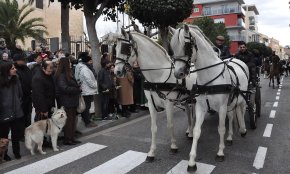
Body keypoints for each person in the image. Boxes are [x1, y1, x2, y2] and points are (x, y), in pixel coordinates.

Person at [0, 60, 24, 160]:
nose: (15, 70)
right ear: (6, 71)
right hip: (4, 112)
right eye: (12, 68)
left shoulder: (16, 78)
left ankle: (17, 152)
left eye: (14, 68)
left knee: (16, 135)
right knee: (3, 136)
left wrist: (18, 103)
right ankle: (4, 154)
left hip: (17, 111)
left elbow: (20, 93)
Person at [55, 57, 82, 145]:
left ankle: (71, 137)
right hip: (67, 101)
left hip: (71, 100)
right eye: (69, 62)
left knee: (72, 120)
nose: (71, 64)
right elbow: (64, 88)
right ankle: (68, 139)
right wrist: (77, 89)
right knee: (69, 121)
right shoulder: (62, 75)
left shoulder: (67, 73)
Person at [74, 52, 98, 128]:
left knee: (86, 107)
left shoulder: (80, 67)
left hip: (85, 90)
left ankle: (87, 120)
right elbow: (89, 80)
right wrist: (96, 85)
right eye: (90, 61)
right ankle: (87, 122)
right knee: (86, 107)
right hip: (87, 91)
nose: (91, 62)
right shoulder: (85, 69)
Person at [13, 54, 32, 129]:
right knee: (21, 116)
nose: (24, 61)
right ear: (17, 61)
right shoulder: (14, 70)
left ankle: (28, 130)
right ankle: (20, 134)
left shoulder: (26, 68)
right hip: (21, 98)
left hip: (28, 96)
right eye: (22, 59)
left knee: (28, 114)